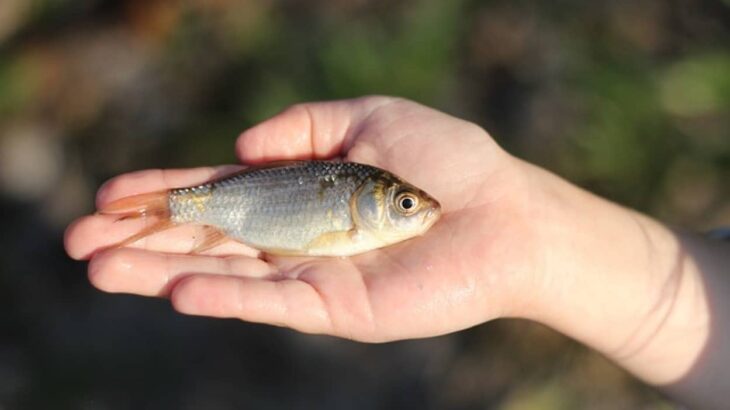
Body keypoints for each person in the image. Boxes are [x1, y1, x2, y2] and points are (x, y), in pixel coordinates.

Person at [64, 96, 729, 409]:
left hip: (247, 211)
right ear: (374, 200)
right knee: (163, 220)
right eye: (406, 205)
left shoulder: (367, 207)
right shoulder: (352, 202)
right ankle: (157, 211)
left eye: (406, 204)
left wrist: (531, 239)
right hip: (240, 207)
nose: (419, 213)